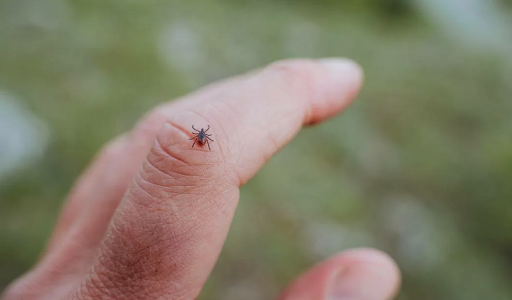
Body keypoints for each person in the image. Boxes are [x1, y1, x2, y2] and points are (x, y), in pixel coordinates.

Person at [2, 58, 400, 300]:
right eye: (201, 136)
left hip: (201, 144)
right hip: (201, 144)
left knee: (193, 149)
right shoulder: (200, 138)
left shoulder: (199, 137)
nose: (200, 138)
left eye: (201, 136)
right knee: (193, 149)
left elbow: (199, 141)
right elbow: (199, 141)